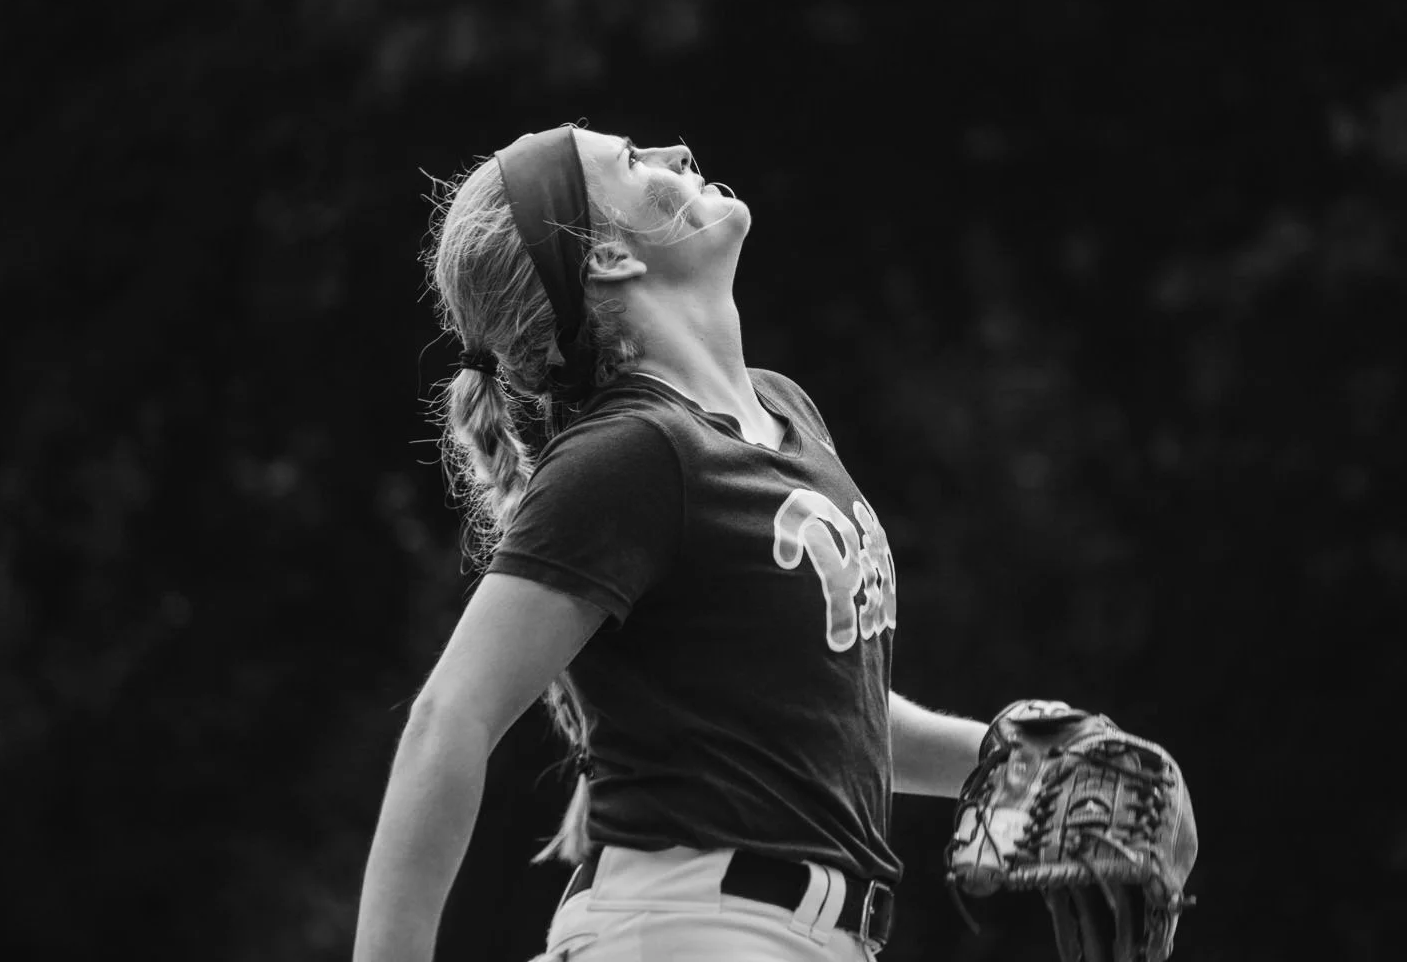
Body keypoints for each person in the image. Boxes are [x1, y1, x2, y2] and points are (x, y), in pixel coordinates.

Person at [353, 123, 994, 962]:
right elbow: (450, 716)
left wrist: (1007, 756)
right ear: (608, 261)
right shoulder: (637, 451)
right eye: (629, 161)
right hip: (695, 932)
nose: (675, 155)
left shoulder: (785, 416)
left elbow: (834, 717)